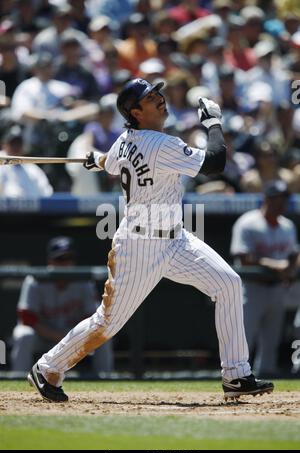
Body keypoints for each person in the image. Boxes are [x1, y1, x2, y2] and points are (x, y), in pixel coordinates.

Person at [28, 78, 274, 402]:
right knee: (107, 322)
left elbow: (112, 161)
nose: (159, 98)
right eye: (150, 97)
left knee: (228, 283)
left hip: (176, 240)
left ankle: (236, 374)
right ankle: (47, 368)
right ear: (135, 112)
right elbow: (216, 162)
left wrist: (97, 159)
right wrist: (214, 122)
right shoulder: (161, 145)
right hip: (139, 247)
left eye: (158, 93)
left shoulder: (125, 140)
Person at [12, 236, 113, 374]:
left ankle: (106, 380)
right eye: (59, 259)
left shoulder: (83, 282)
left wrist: (73, 337)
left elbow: (93, 316)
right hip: (43, 336)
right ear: (50, 261)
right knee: (23, 334)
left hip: (74, 336)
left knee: (103, 335)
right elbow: (27, 319)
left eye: (68, 259)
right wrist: (59, 336)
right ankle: (18, 379)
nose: (65, 263)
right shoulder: (34, 281)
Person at [231, 180, 299, 376]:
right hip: (251, 288)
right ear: (267, 199)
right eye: (278, 199)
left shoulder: (287, 226)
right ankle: (236, 375)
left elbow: (292, 254)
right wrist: (275, 265)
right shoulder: (248, 222)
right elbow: (242, 258)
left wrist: (291, 266)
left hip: (277, 289)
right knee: (244, 338)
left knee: (271, 342)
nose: (282, 204)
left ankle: (266, 380)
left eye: (285, 199)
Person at [0, 125, 53, 197]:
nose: (16, 147)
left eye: (19, 144)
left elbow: (47, 193)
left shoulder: (32, 169)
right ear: (4, 145)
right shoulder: (1, 162)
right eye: (12, 144)